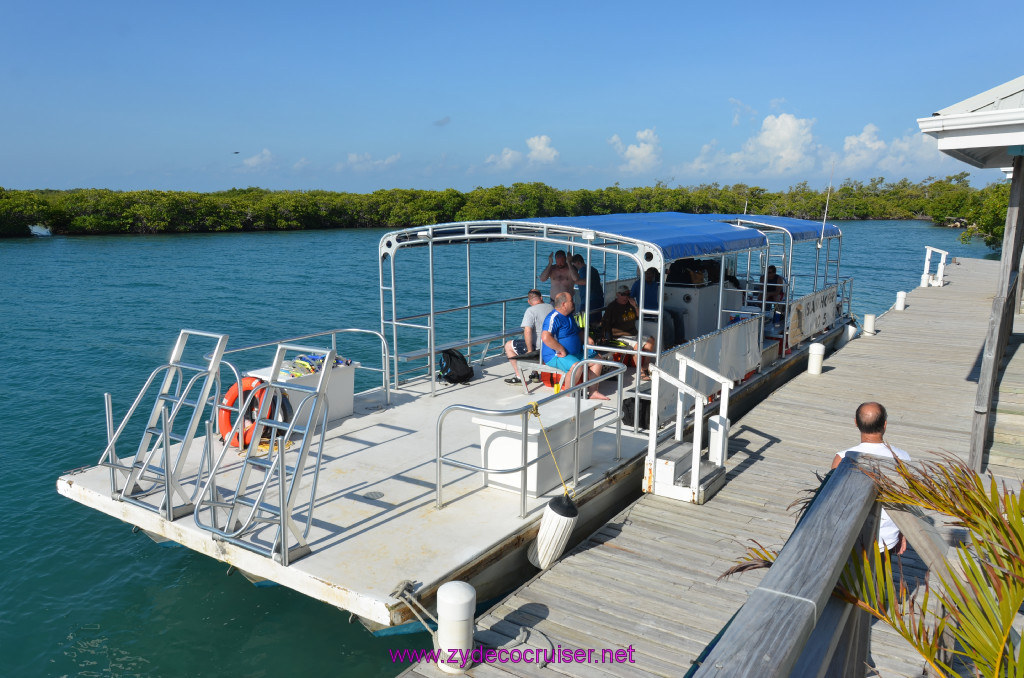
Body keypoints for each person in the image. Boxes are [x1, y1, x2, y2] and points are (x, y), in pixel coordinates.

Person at [831, 402, 912, 553]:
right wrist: (903, 532)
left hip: (849, 537)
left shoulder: (843, 458)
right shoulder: (903, 458)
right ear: (885, 424)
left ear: (856, 423)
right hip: (887, 538)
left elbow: (835, 502)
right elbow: (905, 499)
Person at [541, 292, 608, 400]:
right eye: (571, 300)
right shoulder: (553, 318)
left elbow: (577, 332)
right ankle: (568, 396)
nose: (574, 302)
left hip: (575, 352)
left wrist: (587, 339)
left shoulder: (569, 316)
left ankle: (593, 392)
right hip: (556, 355)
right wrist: (561, 349)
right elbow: (545, 337)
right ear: (564, 304)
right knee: (577, 366)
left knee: (597, 360)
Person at [603, 285, 656, 380]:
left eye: (628, 294)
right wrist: (606, 337)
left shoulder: (630, 304)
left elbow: (639, 316)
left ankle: (645, 366)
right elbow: (605, 323)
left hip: (633, 334)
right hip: (619, 336)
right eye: (623, 294)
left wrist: (635, 306)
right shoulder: (612, 307)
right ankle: (641, 373)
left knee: (651, 340)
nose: (626, 297)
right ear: (617, 294)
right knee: (637, 346)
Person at [503, 289, 553, 384]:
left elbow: (527, 331)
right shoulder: (551, 307)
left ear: (529, 301)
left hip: (539, 349)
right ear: (541, 298)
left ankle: (519, 377)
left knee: (508, 345)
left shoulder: (530, 311)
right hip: (551, 346)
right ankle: (534, 374)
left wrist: (530, 351)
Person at [629, 267, 675, 347]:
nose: (649, 275)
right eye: (647, 273)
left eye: (650, 273)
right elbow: (631, 297)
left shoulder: (655, 283)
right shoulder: (637, 284)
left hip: (657, 308)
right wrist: (636, 308)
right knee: (667, 316)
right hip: (647, 311)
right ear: (643, 274)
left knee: (677, 312)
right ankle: (669, 345)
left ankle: (679, 339)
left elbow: (659, 270)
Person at [570, 253, 604, 328]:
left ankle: (586, 338)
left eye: (574, 265)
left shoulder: (583, 270)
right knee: (597, 323)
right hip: (598, 299)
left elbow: (584, 282)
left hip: (589, 301)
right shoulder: (593, 269)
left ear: (578, 263)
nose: (573, 268)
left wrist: (572, 281)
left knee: (583, 324)